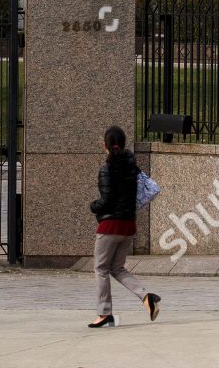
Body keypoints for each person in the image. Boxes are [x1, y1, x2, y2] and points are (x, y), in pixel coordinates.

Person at [88, 125, 160, 328]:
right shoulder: (133, 167)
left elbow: (107, 201)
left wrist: (93, 206)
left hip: (110, 226)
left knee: (101, 268)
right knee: (117, 268)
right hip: (129, 226)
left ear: (105, 145)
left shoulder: (106, 169)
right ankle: (147, 297)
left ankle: (104, 313)